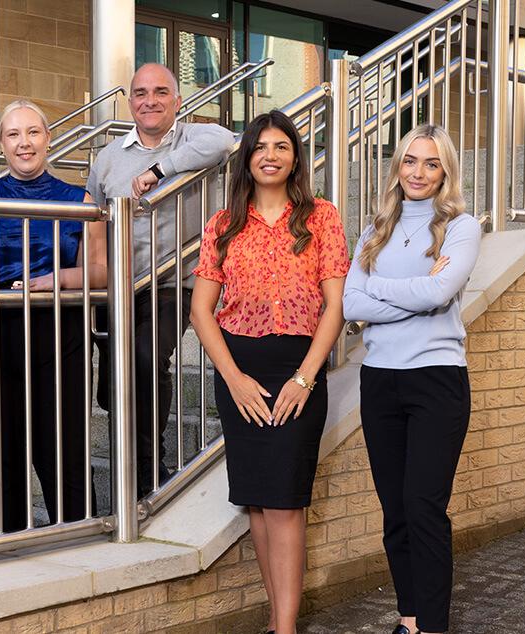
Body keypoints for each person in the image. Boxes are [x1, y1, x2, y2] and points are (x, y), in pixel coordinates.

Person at [190, 110, 349, 634]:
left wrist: (306, 377)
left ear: (295, 156)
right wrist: (232, 378)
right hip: (241, 369)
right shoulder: (224, 223)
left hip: (297, 367)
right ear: (247, 158)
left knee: (285, 502)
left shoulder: (320, 217)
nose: (271, 155)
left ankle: (285, 629)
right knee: (258, 502)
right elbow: (200, 311)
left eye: (282, 146)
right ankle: (278, 617)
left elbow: (335, 306)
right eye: (261, 147)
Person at [343, 124, 481, 634]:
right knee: (396, 512)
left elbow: (439, 295)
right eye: (409, 161)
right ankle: (410, 619)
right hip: (380, 381)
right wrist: (416, 288)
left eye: (431, 164)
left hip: (436, 381)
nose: (418, 173)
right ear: (396, 166)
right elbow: (349, 303)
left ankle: (435, 627)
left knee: (424, 508)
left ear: (445, 171)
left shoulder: (461, 227)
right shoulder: (375, 229)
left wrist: (379, 294)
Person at [87, 62, 236, 496]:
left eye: (160, 92)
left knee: (147, 360)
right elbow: (93, 214)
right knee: (115, 381)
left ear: (177, 100)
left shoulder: (194, 137)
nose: (149, 101)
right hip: (118, 286)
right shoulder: (110, 156)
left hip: (173, 284)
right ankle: (130, 463)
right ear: (129, 101)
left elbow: (225, 140)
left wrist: (159, 171)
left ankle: (149, 470)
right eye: (140, 93)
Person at [0, 99, 107, 533]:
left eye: (33, 133)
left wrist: (56, 279)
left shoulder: (80, 201)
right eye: (13, 135)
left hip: (58, 333)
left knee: (61, 444)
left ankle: (75, 536)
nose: (24, 143)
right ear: (1, 145)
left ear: (49, 139)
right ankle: (3, 542)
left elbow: (101, 270)